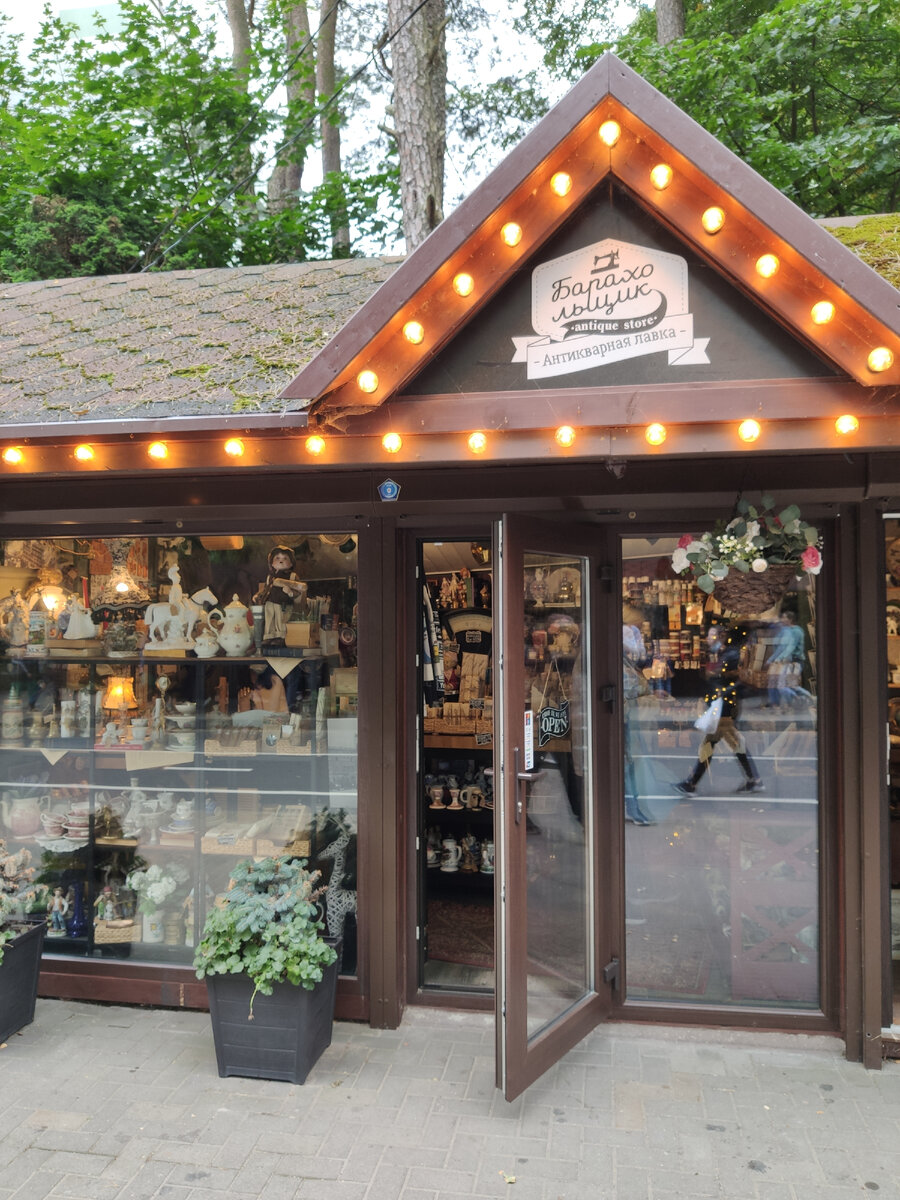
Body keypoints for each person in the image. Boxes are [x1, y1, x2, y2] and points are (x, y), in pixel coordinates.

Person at [675, 622, 763, 795]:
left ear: (721, 637)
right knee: (734, 744)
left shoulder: (731, 655)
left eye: (712, 635)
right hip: (725, 705)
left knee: (711, 743)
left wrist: (721, 691)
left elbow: (736, 680)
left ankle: (691, 783)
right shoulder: (724, 654)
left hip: (726, 707)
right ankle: (754, 779)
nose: (708, 638)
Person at [622, 603, 656, 824]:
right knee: (628, 763)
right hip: (622, 717)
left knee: (630, 762)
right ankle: (633, 808)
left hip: (626, 717)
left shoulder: (624, 656)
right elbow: (628, 689)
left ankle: (633, 807)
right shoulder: (620, 654)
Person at [252, 546, 307, 645]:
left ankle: (281, 637)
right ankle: (269, 636)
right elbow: (266, 589)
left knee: (281, 620)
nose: (281, 561)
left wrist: (290, 592)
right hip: (270, 602)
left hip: (284, 603)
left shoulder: (292, 576)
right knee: (270, 620)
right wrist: (258, 595)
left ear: (291, 563)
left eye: (285, 558)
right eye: (277, 558)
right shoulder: (270, 577)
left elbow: (298, 592)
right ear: (272, 563)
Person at [766, 610, 806, 708]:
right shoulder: (787, 631)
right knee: (785, 685)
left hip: (796, 662)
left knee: (787, 685)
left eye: (784, 617)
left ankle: (804, 699)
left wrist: (778, 658)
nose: (782, 619)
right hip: (789, 661)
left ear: (790, 619)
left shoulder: (796, 631)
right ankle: (792, 702)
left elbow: (790, 648)